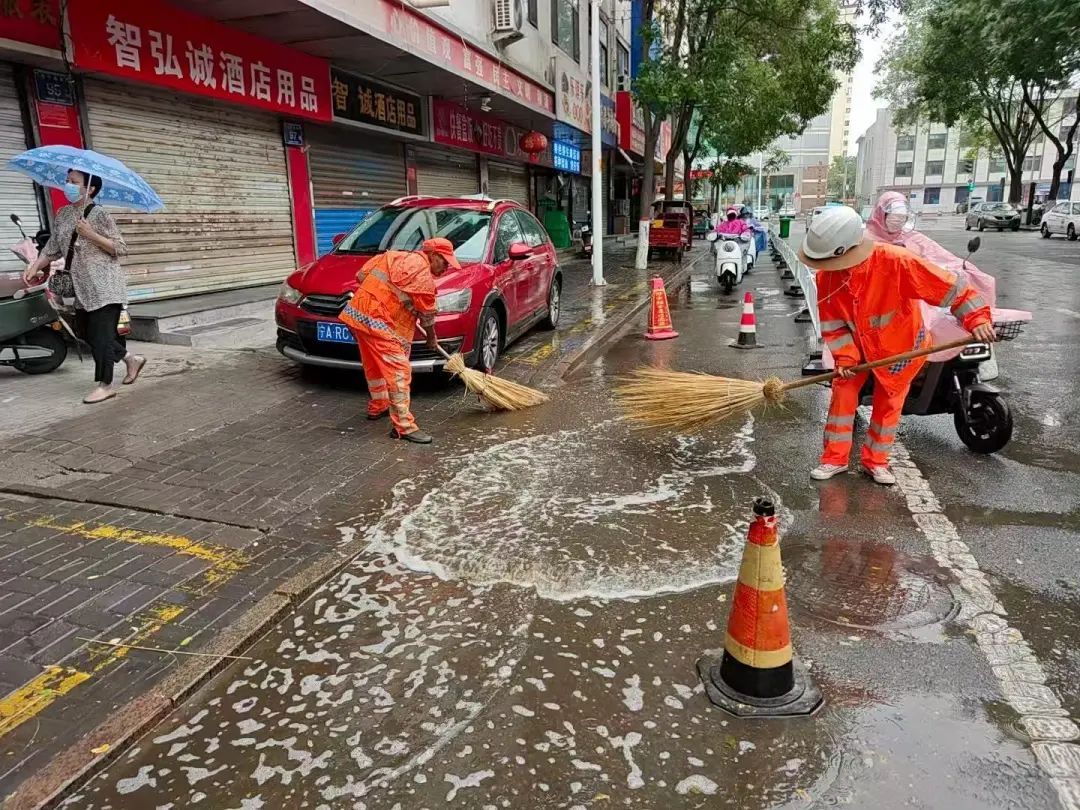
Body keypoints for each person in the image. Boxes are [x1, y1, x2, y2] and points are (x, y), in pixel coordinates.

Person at [798, 206, 996, 485]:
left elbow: (952, 288)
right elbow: (834, 324)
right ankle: (834, 459)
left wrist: (976, 319)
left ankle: (876, 462)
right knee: (843, 396)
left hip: (900, 347)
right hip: (857, 348)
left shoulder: (896, 262)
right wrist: (845, 358)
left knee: (889, 403)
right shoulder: (827, 276)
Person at [23, 169, 145, 404]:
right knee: (85, 332)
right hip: (81, 287)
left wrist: (91, 234)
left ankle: (105, 385)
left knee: (100, 335)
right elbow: (52, 247)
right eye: (67, 181)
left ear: (90, 189)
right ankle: (131, 359)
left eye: (74, 182)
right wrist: (35, 265)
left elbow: (120, 248)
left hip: (105, 285)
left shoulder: (99, 214)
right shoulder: (63, 214)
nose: (67, 185)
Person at [338, 238, 459, 445]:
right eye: (444, 261)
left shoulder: (393, 256)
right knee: (400, 372)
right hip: (379, 323)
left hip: (357, 315)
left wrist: (395, 297)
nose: (446, 267)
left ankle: (379, 405)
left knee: (374, 365)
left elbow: (361, 276)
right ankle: (404, 426)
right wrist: (431, 338)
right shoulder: (423, 277)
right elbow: (428, 315)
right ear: (432, 255)